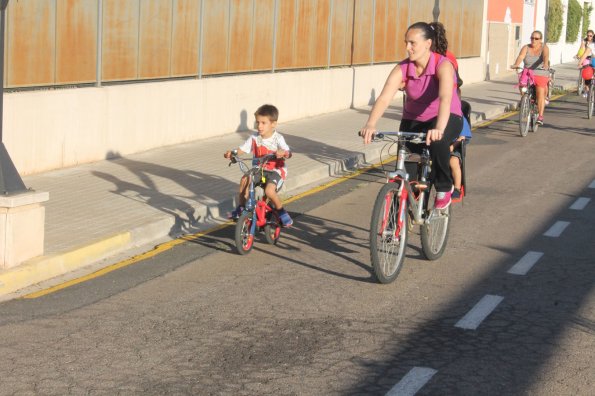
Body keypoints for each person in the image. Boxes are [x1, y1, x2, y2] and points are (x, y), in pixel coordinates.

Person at [360, 21, 463, 210]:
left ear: (428, 44)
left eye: (412, 43)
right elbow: (384, 98)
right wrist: (371, 124)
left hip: (446, 117)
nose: (407, 48)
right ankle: (397, 218)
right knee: (405, 171)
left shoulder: (443, 65)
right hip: (414, 119)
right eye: (406, 43)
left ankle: (444, 188)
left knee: (438, 142)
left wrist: (439, 128)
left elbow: (445, 99)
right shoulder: (403, 68)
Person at [224, 104, 293, 227]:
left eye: (263, 123)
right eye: (257, 122)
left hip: (276, 171)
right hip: (259, 169)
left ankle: (282, 212)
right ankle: (241, 208)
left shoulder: (278, 138)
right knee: (245, 180)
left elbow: (288, 152)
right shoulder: (254, 138)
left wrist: (283, 153)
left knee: (269, 191)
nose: (259, 126)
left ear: (273, 124)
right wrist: (233, 153)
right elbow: (242, 149)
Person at [511, 30, 550, 125]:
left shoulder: (544, 47)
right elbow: (521, 56)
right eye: (532, 38)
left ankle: (540, 116)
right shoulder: (526, 47)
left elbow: (546, 56)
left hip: (540, 72)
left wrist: (545, 64)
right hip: (527, 72)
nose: (533, 40)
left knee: (540, 92)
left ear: (540, 40)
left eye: (536, 38)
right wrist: (516, 64)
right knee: (522, 86)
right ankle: (526, 101)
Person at [450, 115, 471, 202]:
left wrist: (452, 146)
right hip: (434, 146)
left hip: (454, 147)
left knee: (453, 161)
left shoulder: (460, 117)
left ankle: (457, 188)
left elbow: (463, 137)